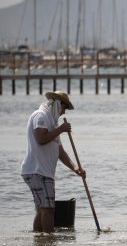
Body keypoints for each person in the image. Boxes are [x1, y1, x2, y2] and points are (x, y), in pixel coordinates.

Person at [21, 91, 85, 233]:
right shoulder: (41, 116)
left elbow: (60, 152)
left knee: (42, 209)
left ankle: (40, 243)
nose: (63, 112)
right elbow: (41, 139)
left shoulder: (52, 122)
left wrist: (76, 168)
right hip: (37, 171)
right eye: (64, 108)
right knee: (48, 209)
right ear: (57, 104)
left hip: (41, 172)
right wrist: (61, 130)